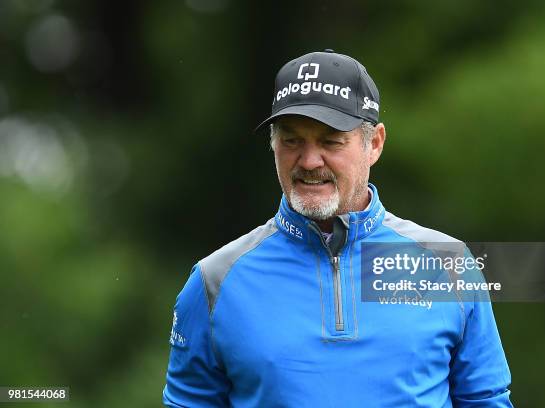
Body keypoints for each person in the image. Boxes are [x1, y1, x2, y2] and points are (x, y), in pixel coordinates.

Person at [162, 49, 513, 407]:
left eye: (331, 141)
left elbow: (484, 399)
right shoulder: (215, 280)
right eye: (291, 140)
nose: (310, 161)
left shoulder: (447, 264)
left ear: (373, 144)